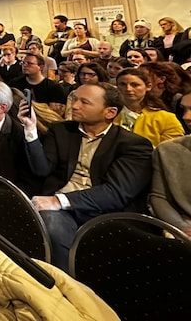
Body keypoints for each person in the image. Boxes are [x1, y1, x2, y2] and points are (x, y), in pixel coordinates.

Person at [19, 82, 154, 271]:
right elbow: (41, 170)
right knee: (43, 218)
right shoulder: (62, 131)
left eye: (84, 102)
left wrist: (58, 201)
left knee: (50, 217)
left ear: (110, 112)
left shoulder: (133, 145)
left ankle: (68, 287)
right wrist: (30, 129)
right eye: (75, 99)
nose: (74, 106)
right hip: (60, 209)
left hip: (103, 211)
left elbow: (115, 193)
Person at [114, 68, 184, 147]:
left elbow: (170, 152)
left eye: (135, 85)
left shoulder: (166, 118)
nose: (128, 89)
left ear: (148, 87)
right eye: (122, 84)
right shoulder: (108, 115)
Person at [151, 133, 191, 236]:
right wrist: (182, 227)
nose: (186, 117)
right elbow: (159, 197)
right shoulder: (167, 150)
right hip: (184, 228)